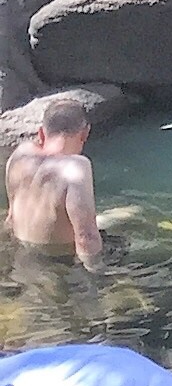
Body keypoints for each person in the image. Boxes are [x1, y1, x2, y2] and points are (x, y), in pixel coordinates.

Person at [6, 98, 103, 269]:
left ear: (41, 133)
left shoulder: (20, 155)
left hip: (20, 256)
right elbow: (86, 236)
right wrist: (99, 278)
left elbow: (11, 217)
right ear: (85, 133)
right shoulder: (76, 167)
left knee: (122, 218)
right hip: (58, 265)